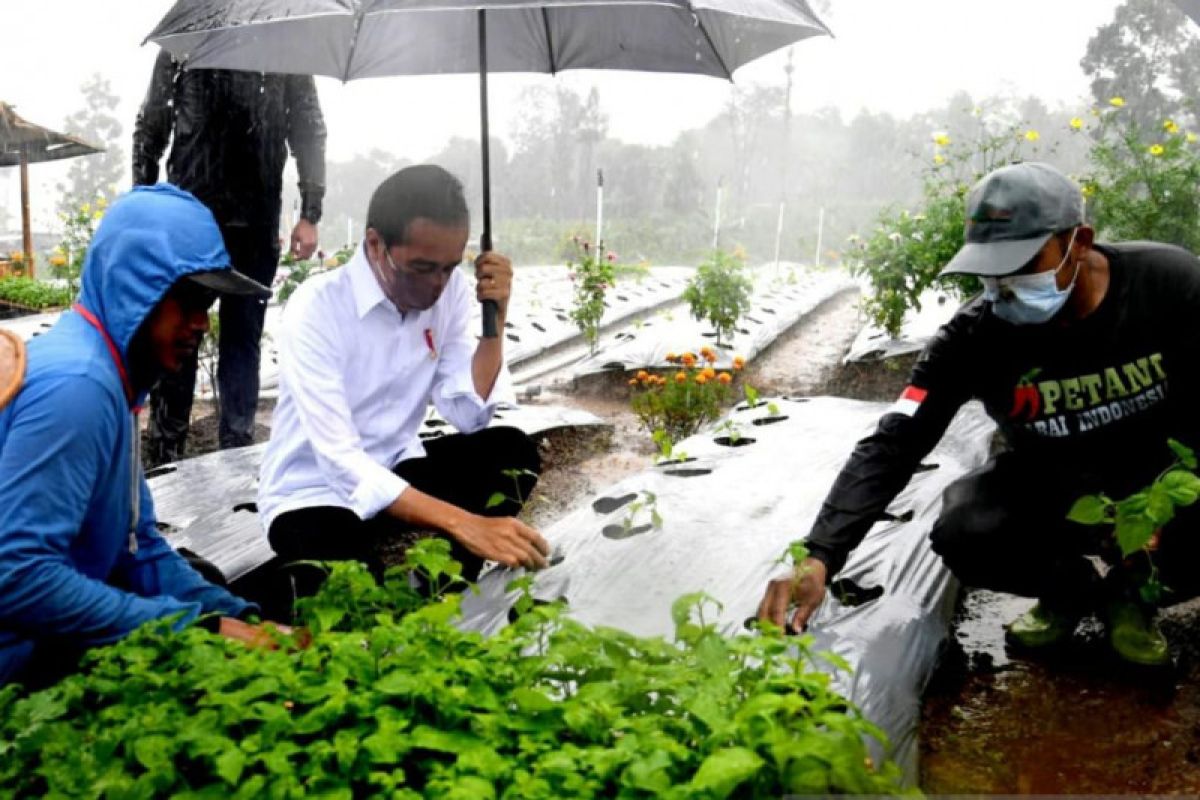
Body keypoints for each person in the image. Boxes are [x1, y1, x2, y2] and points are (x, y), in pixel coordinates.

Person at [758, 162, 1200, 667]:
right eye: (991, 269)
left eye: (1023, 262)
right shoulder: (976, 335)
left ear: (1078, 241)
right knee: (965, 527)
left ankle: (1134, 593)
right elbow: (896, 441)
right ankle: (1067, 589)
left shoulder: (1170, 286)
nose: (1004, 284)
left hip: (1163, 485)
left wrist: (1164, 508)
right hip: (1054, 492)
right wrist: (819, 555)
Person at [0, 185, 280, 688]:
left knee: (205, 583)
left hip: (34, 631)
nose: (201, 324)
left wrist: (238, 618)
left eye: (209, 304)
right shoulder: (78, 387)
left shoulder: (113, 379)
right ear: (134, 289)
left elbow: (139, 547)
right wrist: (195, 631)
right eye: (187, 301)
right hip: (15, 662)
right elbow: (16, 577)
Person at [258, 165, 549, 607]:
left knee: (512, 453)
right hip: (316, 491)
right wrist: (463, 522)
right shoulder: (316, 309)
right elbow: (340, 462)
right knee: (357, 603)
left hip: (398, 469)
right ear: (375, 244)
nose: (436, 284)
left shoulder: (447, 293)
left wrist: (495, 322)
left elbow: (468, 413)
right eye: (422, 268)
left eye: (450, 268)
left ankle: (441, 589)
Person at [132, 52, 327, 462]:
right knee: (176, 333)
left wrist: (310, 212)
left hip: (255, 221)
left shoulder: (283, 44)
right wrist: (143, 202)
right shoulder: (187, 44)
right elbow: (151, 125)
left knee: (244, 340)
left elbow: (308, 129)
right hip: (190, 217)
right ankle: (166, 453)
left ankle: (236, 453)